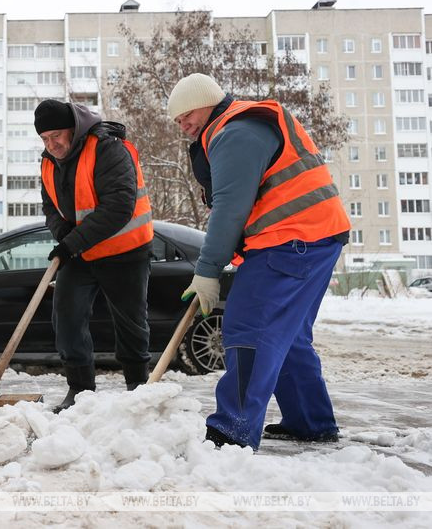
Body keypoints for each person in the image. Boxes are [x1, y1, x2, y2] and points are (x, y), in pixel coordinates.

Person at [166, 73, 350, 450]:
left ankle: (231, 432)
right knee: (289, 334)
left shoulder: (235, 132)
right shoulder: (240, 126)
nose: (182, 124)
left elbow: (230, 208)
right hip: (314, 236)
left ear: (209, 102)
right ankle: (309, 421)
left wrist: (207, 270)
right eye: (177, 120)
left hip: (291, 240)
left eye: (187, 114)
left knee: (249, 327)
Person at [36, 99, 154, 412]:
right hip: (81, 251)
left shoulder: (108, 148)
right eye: (45, 139)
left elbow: (118, 207)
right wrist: (62, 233)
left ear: (73, 130)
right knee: (67, 315)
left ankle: (137, 387)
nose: (52, 144)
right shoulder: (48, 161)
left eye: (56, 135)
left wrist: (72, 242)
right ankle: (79, 389)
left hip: (125, 249)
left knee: (130, 320)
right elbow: (49, 206)